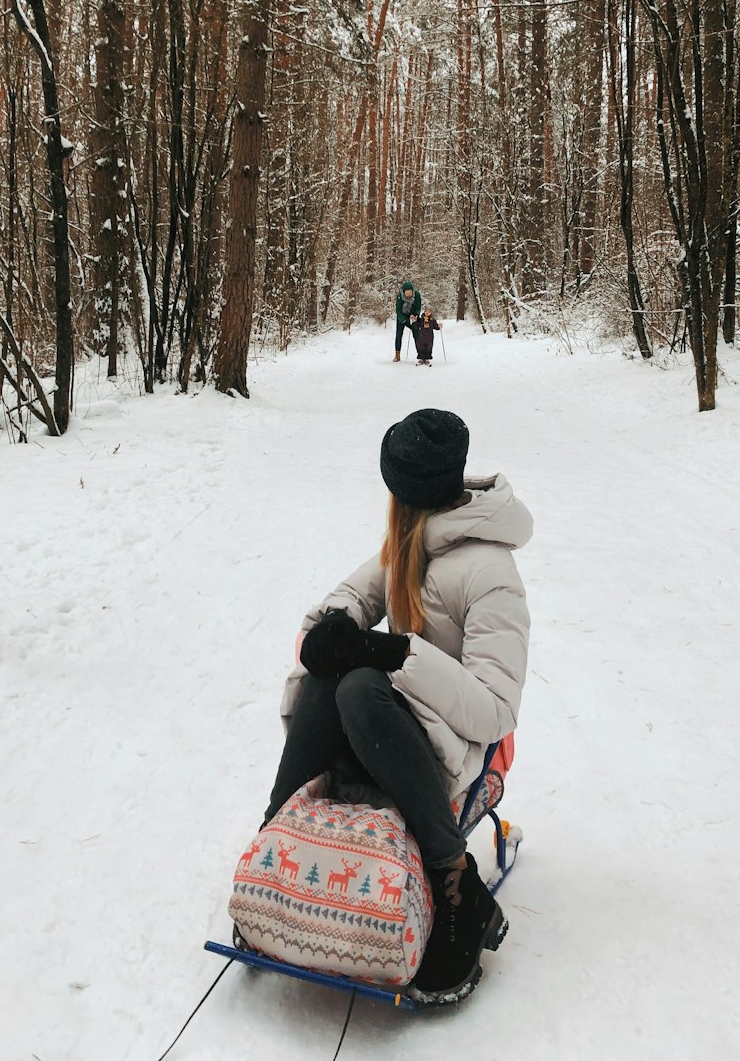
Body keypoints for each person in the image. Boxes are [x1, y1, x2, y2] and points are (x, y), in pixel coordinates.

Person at [264, 409, 533, 1004]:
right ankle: (274, 837)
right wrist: (334, 628)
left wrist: (394, 652)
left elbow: (495, 713)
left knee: (360, 683)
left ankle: (453, 881)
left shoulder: (491, 572)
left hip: (465, 752)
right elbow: (355, 592)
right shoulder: (409, 543)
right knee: (333, 673)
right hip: (394, 731)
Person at [393, 280, 421, 361]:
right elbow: (398, 310)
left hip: (412, 316)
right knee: (398, 335)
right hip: (402, 316)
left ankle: (420, 354)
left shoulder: (417, 295)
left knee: (417, 334)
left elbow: (418, 307)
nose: (409, 294)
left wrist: (415, 315)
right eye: (407, 293)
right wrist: (404, 320)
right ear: (403, 291)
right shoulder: (400, 296)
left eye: (410, 292)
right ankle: (397, 355)